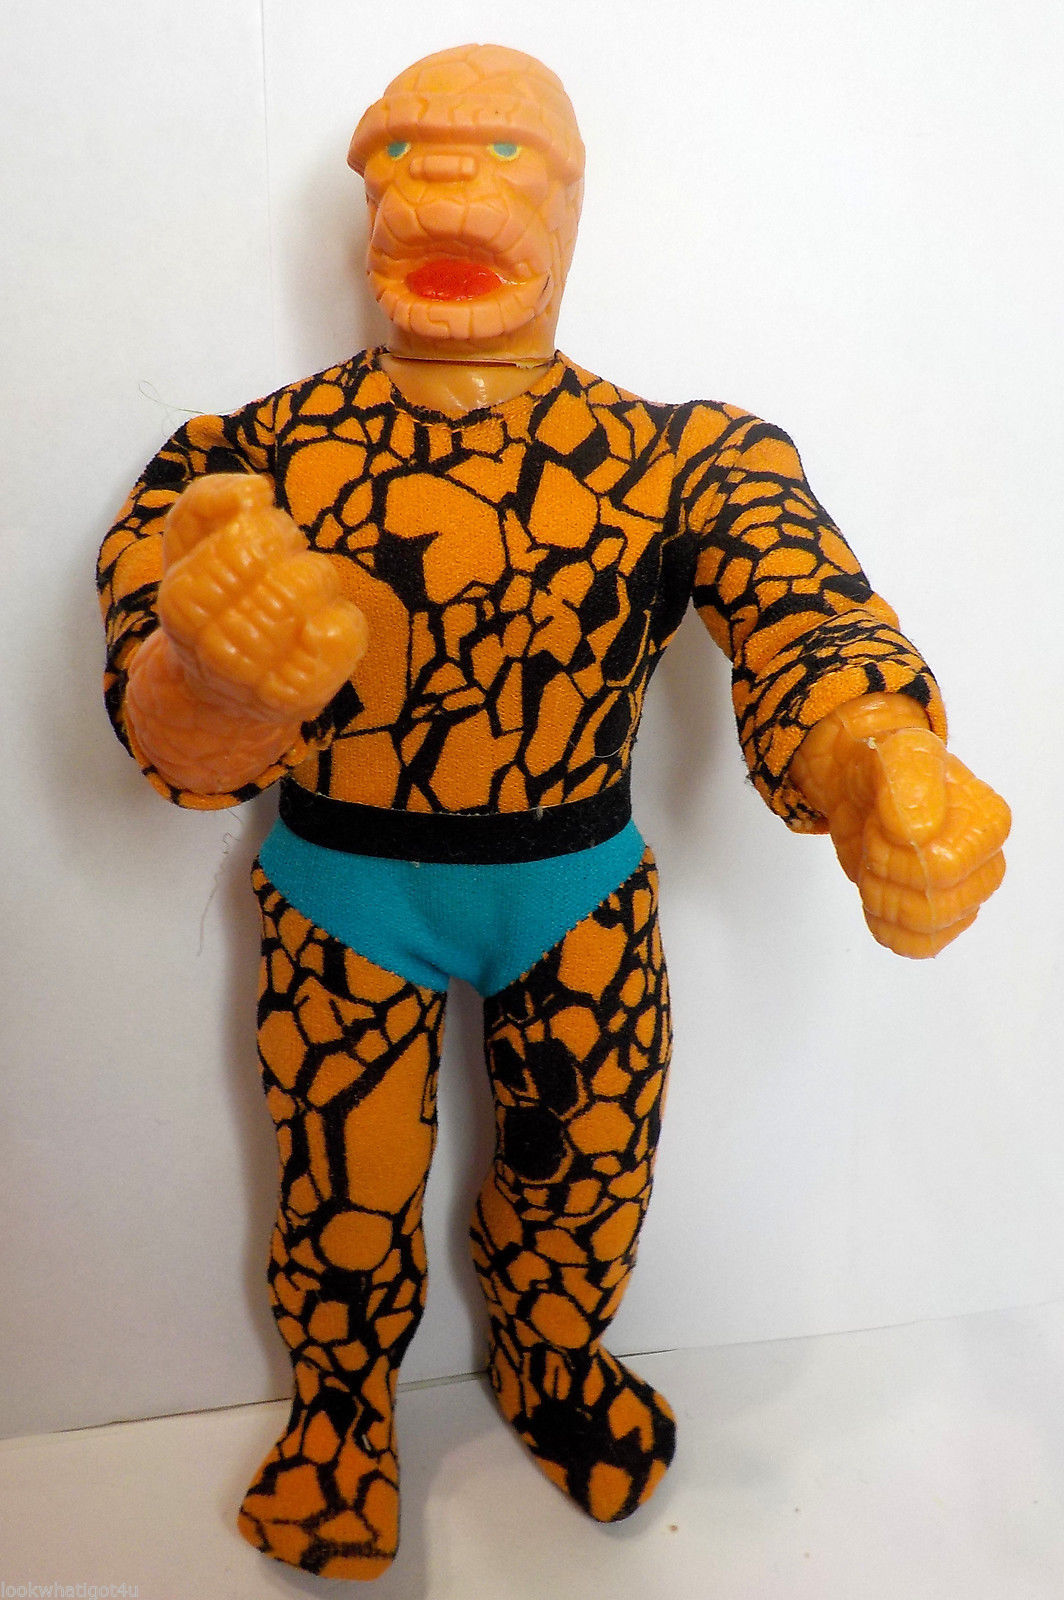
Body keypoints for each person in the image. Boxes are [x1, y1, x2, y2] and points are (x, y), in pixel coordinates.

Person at [97, 42, 1010, 1582]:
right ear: (364, 200)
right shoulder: (241, 464)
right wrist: (215, 677)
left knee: (584, 1177)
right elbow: (164, 732)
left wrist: (877, 758)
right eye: (406, 154)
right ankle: (339, 1421)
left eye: (504, 153)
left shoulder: (684, 458)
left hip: (572, 891)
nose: (451, 183)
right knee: (343, 1193)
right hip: (343, 890)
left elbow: (805, 609)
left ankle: (553, 1364)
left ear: (577, 199)